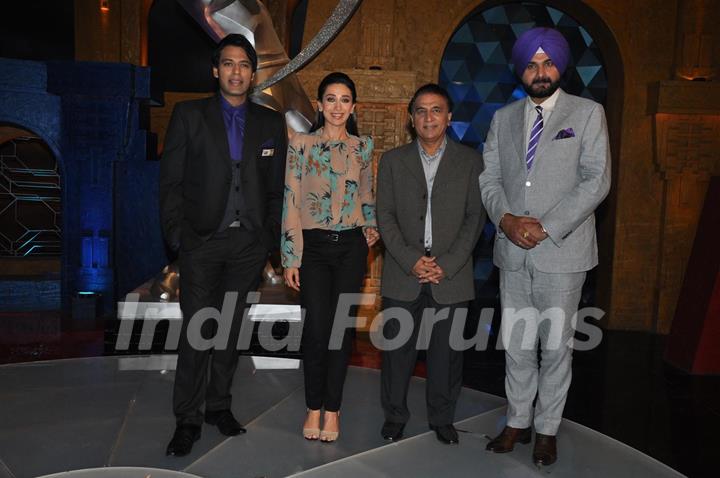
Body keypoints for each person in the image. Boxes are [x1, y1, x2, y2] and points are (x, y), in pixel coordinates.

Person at [479, 27, 611, 465]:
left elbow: (597, 179)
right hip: (512, 250)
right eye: (532, 64)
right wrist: (505, 218)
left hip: (562, 251)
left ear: (561, 67)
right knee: (517, 345)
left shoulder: (588, 113)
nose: (540, 71)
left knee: (556, 347)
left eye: (548, 63)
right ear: (521, 70)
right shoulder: (503, 118)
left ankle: (547, 429)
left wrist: (547, 226)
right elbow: (490, 178)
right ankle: (517, 420)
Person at [160, 33, 287, 457]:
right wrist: (178, 237)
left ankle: (219, 406)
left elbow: (276, 190)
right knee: (199, 332)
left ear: (253, 75)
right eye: (228, 63)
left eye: (244, 65)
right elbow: (171, 183)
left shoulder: (271, 123)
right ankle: (187, 419)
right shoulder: (188, 115)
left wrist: (267, 236)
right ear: (216, 70)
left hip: (248, 246)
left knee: (230, 332)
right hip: (201, 242)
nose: (236, 71)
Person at [376, 83, 485, 445]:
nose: (428, 117)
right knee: (396, 354)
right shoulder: (392, 161)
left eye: (436, 110)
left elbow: (475, 218)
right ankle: (394, 417)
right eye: (420, 111)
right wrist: (411, 261)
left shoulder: (471, 161)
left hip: (450, 275)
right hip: (402, 272)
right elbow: (385, 217)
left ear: (449, 117)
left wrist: (447, 264)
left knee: (447, 356)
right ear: (411, 119)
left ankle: (442, 418)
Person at [281, 72, 379, 442]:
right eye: (331, 99)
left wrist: (371, 226)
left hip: (351, 248)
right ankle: (313, 407)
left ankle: (333, 411)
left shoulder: (363, 146)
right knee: (317, 330)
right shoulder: (301, 144)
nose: (338, 107)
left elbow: (367, 191)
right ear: (320, 105)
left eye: (345, 100)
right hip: (314, 249)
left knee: (340, 333)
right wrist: (291, 256)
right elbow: (291, 198)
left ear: (353, 106)